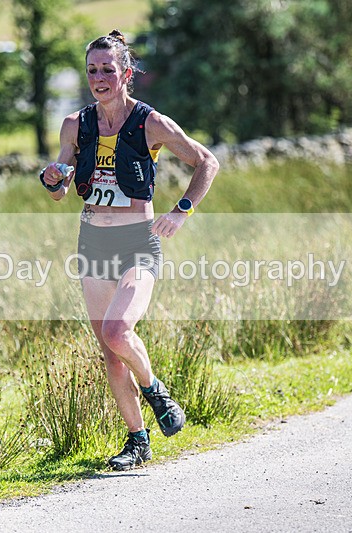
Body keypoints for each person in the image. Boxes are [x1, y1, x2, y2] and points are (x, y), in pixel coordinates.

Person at [39, 29, 219, 471]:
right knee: (110, 351)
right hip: (93, 242)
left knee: (119, 331)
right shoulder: (74, 125)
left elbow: (207, 162)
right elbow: (62, 190)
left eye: (108, 70)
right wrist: (53, 180)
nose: (99, 78)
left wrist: (180, 212)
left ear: (126, 74)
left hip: (138, 242)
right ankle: (137, 441)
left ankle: (157, 392)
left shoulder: (150, 122)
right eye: (93, 70)